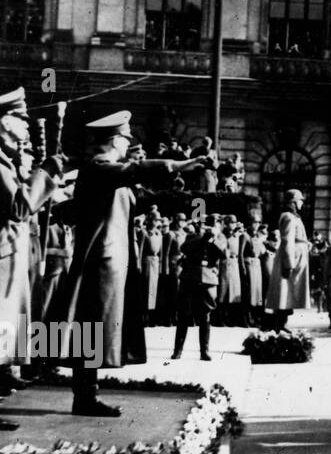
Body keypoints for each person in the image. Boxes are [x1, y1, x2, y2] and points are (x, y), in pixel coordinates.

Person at [43, 111, 212, 414]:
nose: (127, 145)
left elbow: (138, 198)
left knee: (96, 327)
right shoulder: (98, 167)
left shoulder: (109, 173)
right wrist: (174, 164)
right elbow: (132, 170)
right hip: (100, 260)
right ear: (115, 140)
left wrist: (174, 191)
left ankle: (87, 395)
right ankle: (85, 397)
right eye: (125, 139)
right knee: (91, 327)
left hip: (110, 261)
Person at [0, 87, 62, 422]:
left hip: (9, 255)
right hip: (2, 258)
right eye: (21, 121)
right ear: (4, 123)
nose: (26, 129)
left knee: (6, 329)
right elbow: (19, 207)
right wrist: (45, 172)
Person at [172, 216, 223, 361]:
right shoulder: (192, 237)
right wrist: (201, 238)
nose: (206, 228)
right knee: (184, 315)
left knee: (205, 317)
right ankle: (178, 350)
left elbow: (222, 253)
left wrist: (211, 238)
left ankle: (204, 351)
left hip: (207, 281)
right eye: (203, 226)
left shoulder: (218, 238)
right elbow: (184, 248)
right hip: (190, 278)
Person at [267, 189, 311, 326]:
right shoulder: (288, 217)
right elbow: (287, 241)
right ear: (293, 201)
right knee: (284, 295)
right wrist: (289, 264)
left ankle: (281, 325)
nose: (302, 203)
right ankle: (279, 326)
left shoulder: (294, 217)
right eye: (300, 200)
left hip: (296, 259)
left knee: (288, 295)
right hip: (291, 261)